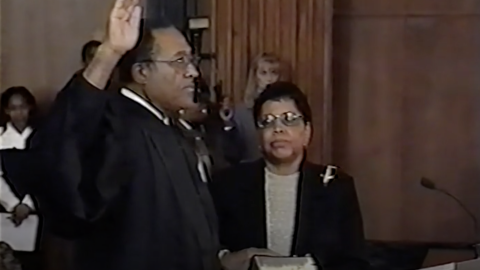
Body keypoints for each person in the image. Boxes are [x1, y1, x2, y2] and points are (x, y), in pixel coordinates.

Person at [2, 0, 220, 269]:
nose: (193, 72)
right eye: (180, 61)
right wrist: (109, 52)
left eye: (191, 59)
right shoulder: (116, 122)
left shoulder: (167, 126)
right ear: (142, 72)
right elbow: (63, 148)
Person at [210, 82, 369, 270]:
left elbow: (355, 262)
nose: (278, 129)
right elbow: (207, 251)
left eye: (289, 119)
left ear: (307, 132)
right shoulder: (228, 185)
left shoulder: (337, 187)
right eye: (267, 121)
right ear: (259, 136)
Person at [0, 87, 40, 270]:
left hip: (38, 207)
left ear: (30, 107)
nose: (19, 113)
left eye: (23, 107)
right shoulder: (1, 138)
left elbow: (47, 174)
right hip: (6, 209)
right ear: (6, 110)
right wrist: (13, 204)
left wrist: (28, 204)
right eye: (13, 108)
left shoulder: (42, 136)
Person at [232, 53, 285, 162]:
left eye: (273, 73)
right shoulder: (242, 111)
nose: (269, 79)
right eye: (263, 73)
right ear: (255, 76)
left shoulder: (287, 109)